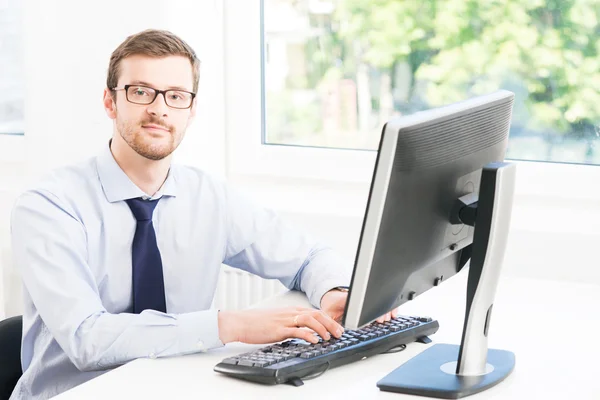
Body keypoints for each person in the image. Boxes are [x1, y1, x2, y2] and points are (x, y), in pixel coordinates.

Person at [9, 29, 397, 400]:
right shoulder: (49, 207)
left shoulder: (208, 195)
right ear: (111, 101)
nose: (159, 109)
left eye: (176, 96)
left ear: (191, 109)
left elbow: (308, 257)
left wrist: (336, 292)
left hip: (182, 390)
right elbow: (86, 338)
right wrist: (233, 325)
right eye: (141, 91)